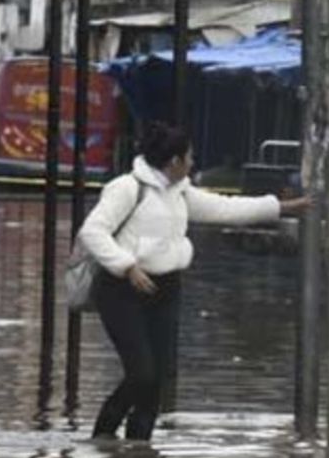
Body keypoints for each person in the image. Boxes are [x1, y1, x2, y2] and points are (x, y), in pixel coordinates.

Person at [78, 122, 310, 441]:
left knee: (158, 377)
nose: (193, 163)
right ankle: (103, 435)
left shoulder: (181, 192)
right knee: (141, 373)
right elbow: (92, 231)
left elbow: (225, 209)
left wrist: (282, 208)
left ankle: (137, 451)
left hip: (166, 289)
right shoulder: (127, 188)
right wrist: (127, 266)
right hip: (123, 291)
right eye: (189, 157)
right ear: (173, 161)